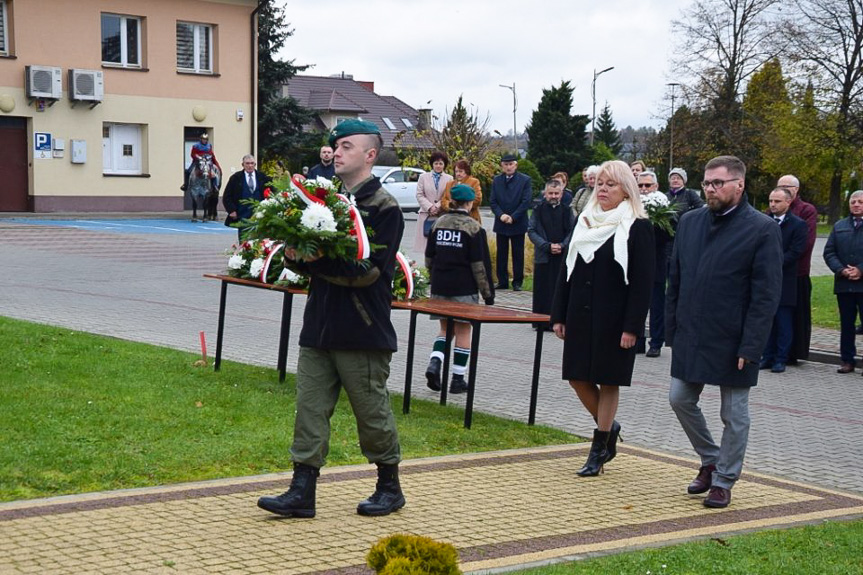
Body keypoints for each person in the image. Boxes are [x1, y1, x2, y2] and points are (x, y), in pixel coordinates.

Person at [257, 119, 406, 518]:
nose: (336, 152)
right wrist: (296, 257)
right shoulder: (325, 203)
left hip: (362, 329)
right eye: (334, 146)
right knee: (309, 409)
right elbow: (319, 265)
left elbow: (370, 272)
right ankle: (301, 490)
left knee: (371, 413)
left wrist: (317, 263)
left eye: (345, 146)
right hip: (320, 325)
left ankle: (389, 486)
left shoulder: (383, 208)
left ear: (370, 155)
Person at [667, 155, 782, 509]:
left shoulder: (762, 229)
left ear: (739, 184)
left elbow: (766, 295)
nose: (711, 189)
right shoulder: (690, 222)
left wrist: (752, 344)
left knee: (733, 413)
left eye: (718, 183)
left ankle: (724, 479)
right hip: (693, 332)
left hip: (735, 338)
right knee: (680, 398)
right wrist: (672, 327)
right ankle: (710, 459)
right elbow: (677, 279)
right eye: (707, 183)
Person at [550, 160, 655, 477]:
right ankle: (610, 428)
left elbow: (643, 282)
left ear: (626, 190)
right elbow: (567, 271)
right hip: (580, 312)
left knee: (609, 379)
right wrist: (559, 313)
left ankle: (598, 448)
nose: (604, 189)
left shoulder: (638, 226)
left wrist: (632, 327)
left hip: (615, 318)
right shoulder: (585, 220)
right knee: (577, 376)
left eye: (612, 184)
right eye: (601, 184)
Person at [424, 184, 495, 394]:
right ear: (470, 203)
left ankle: (435, 363)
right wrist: (488, 295)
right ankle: (457, 378)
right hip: (464, 288)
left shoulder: (438, 224)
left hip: (440, 285)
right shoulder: (474, 228)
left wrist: (434, 275)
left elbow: (429, 258)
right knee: (464, 330)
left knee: (445, 330)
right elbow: (480, 266)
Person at [760, 188, 807, 373]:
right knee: (767, 321)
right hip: (764, 280)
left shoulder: (798, 225)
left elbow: (796, 252)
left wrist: (772, 262)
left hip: (785, 280)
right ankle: (767, 356)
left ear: (788, 202)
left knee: (783, 322)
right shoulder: (764, 222)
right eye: (771, 201)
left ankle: (781, 358)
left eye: (777, 201)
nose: (773, 204)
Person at [777, 174, 818, 362]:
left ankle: (793, 353)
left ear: (796, 190)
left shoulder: (806, 210)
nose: (784, 188)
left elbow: (806, 242)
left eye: (788, 186)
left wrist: (782, 258)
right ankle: (775, 352)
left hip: (797, 271)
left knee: (796, 316)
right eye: (780, 185)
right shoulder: (773, 210)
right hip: (776, 272)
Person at [823, 190, 863, 374]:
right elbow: (829, 252)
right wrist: (841, 270)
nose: (856, 205)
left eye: (860, 202)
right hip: (844, 284)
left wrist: (860, 270)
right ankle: (847, 360)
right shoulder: (840, 226)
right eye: (853, 201)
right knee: (846, 325)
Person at [529, 179, 575, 330]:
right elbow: (531, 230)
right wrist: (546, 246)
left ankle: (557, 320)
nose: (554, 196)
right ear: (545, 193)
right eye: (551, 193)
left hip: (562, 256)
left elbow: (572, 231)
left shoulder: (567, 211)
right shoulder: (537, 210)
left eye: (557, 193)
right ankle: (540, 321)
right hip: (544, 255)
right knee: (543, 289)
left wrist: (562, 245)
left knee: (559, 288)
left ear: (561, 194)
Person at [636, 171, 672, 357]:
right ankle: (638, 340)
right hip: (636, 263)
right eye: (640, 185)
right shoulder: (632, 205)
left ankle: (656, 341)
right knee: (636, 303)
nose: (643, 189)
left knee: (657, 304)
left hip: (656, 261)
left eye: (647, 185)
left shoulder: (664, 207)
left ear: (656, 187)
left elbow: (668, 235)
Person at [490, 153, 532, 291]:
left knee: (517, 253)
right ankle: (502, 281)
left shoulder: (525, 180)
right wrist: (501, 215)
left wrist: (513, 217)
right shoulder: (497, 180)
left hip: (517, 222)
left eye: (511, 164)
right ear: (502, 166)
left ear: (516, 165)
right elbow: (493, 201)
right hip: (501, 222)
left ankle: (517, 282)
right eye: (506, 165)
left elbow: (526, 202)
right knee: (501, 253)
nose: (508, 167)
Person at [222, 154, 270, 240]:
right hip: (242, 214)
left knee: (259, 240)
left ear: (255, 164)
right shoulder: (235, 178)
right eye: (247, 163)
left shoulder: (262, 177)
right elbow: (227, 196)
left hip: (260, 214)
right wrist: (231, 210)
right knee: (244, 241)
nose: (250, 166)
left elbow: (272, 192)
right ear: (243, 165)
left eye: (252, 163)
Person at [414, 151, 453, 254]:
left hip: (442, 214)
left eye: (441, 163)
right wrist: (430, 207)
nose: (438, 166)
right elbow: (419, 194)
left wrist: (437, 206)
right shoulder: (423, 177)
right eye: (436, 163)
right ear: (432, 164)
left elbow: (448, 195)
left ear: (444, 165)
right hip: (426, 214)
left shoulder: (449, 179)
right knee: (426, 248)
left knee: (440, 248)